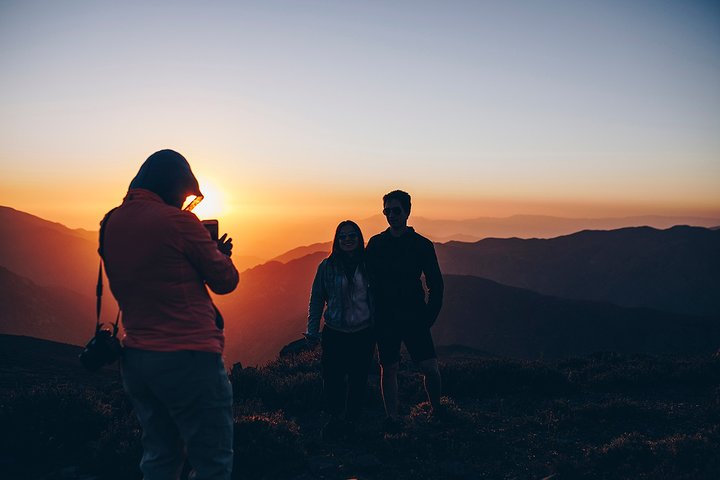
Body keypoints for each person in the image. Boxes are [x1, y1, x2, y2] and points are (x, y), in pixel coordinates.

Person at [102, 149, 239, 480]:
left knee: (160, 455)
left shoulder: (111, 222)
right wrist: (219, 255)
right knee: (212, 460)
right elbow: (225, 281)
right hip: (188, 357)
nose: (185, 202)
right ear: (176, 186)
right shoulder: (178, 222)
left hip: (136, 358)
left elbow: (153, 271)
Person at [365, 190, 444, 432]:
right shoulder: (376, 244)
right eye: (387, 211)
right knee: (388, 368)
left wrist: (428, 317)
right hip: (386, 317)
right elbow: (366, 279)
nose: (391, 215)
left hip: (414, 316)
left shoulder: (421, 245)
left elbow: (436, 284)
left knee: (429, 367)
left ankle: (437, 411)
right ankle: (393, 418)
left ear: (407, 212)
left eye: (396, 210)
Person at [306, 220, 375, 440]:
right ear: (337, 240)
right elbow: (317, 299)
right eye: (342, 236)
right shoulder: (326, 266)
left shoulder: (369, 264)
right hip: (335, 333)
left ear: (359, 238)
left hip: (363, 333)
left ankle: (352, 421)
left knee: (358, 379)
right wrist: (312, 330)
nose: (347, 240)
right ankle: (335, 418)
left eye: (352, 236)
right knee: (333, 378)